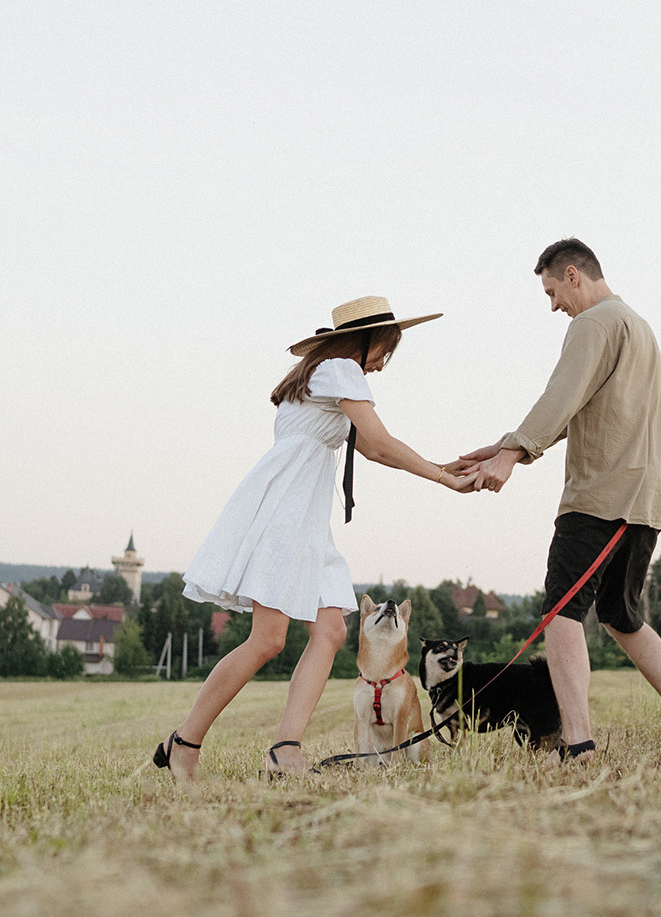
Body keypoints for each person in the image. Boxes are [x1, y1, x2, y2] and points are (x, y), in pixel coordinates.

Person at [154, 296, 474, 781]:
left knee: (330, 631)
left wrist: (439, 466)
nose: (383, 363)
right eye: (385, 350)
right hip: (287, 514)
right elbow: (381, 442)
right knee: (267, 640)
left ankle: (285, 750)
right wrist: (442, 479)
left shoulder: (320, 375)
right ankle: (184, 743)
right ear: (364, 340)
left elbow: (370, 449)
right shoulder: (342, 368)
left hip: (303, 516)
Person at [446, 239, 661, 761]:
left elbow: (561, 396)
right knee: (621, 614)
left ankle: (578, 743)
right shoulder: (638, 326)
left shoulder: (591, 325)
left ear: (573, 275)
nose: (553, 306)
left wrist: (512, 456)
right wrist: (509, 446)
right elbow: (591, 409)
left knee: (560, 614)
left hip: (602, 495)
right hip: (647, 495)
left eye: (551, 292)